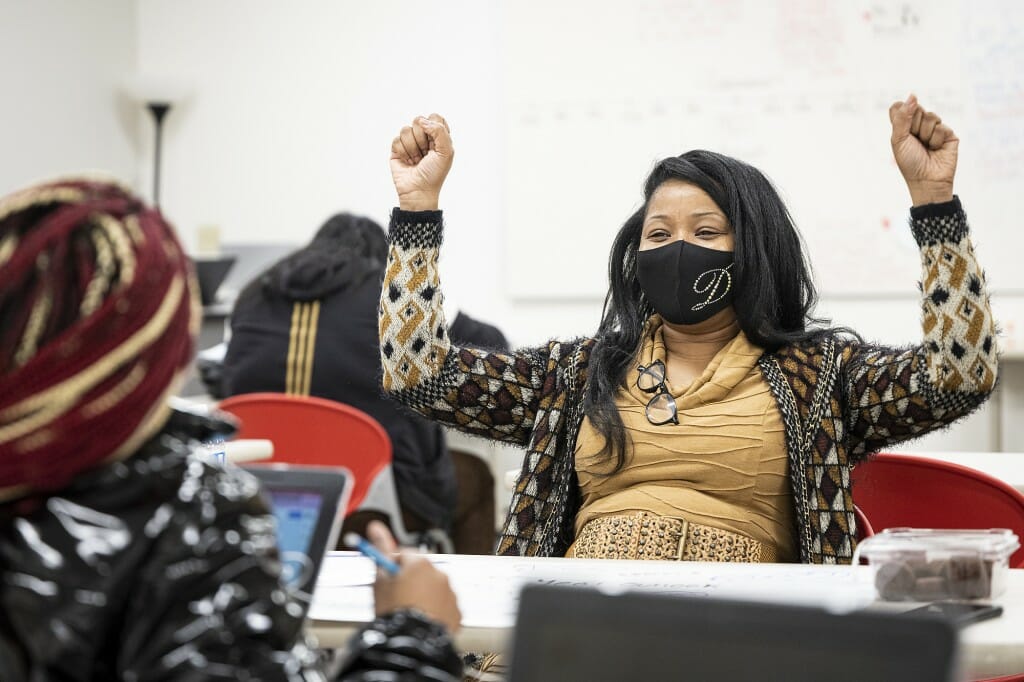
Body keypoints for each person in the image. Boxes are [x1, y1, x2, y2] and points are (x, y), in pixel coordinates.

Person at [378, 95, 998, 566]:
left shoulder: (818, 376)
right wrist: (417, 212)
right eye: (658, 234)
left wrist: (933, 202)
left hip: (737, 638)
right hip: (578, 627)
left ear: (752, 250)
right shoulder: (578, 374)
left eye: (706, 233)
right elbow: (418, 376)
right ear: (636, 256)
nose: (678, 249)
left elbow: (960, 374)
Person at [0, 179, 463, 680]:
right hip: (373, 504)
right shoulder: (189, 521)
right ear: (164, 347)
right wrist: (414, 634)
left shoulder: (257, 294)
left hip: (263, 466)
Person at [221, 213, 505, 553]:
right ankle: (463, 596)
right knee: (476, 476)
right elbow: (493, 345)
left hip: (266, 496)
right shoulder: (390, 295)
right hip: (374, 504)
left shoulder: (253, 294)